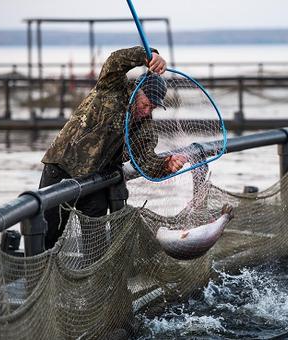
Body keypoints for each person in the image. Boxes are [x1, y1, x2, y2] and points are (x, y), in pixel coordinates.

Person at [39, 46, 187, 250]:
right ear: (138, 90)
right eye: (147, 103)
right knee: (46, 236)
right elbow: (115, 60)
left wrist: (166, 164)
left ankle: (92, 279)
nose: (148, 110)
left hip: (95, 182)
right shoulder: (112, 86)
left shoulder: (145, 126)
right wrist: (149, 55)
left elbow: (145, 161)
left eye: (153, 107)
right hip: (61, 170)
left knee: (96, 244)